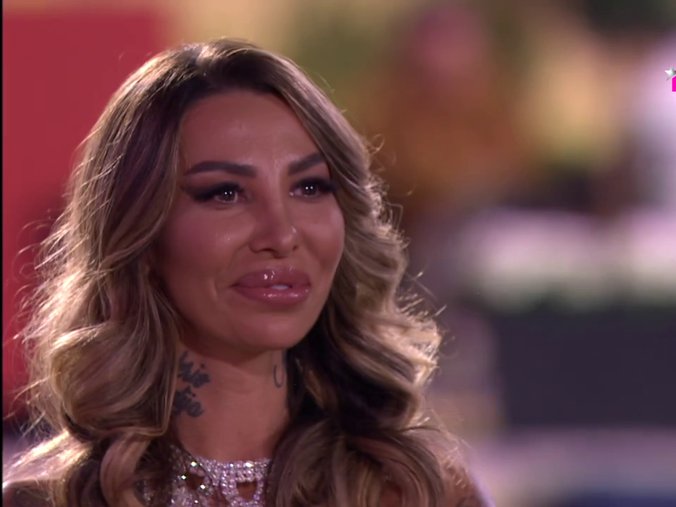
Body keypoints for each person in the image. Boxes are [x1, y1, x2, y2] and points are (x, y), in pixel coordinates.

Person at [3, 38, 491, 506]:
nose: (282, 234)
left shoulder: (421, 492)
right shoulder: (46, 501)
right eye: (226, 193)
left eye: (309, 188)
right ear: (142, 235)